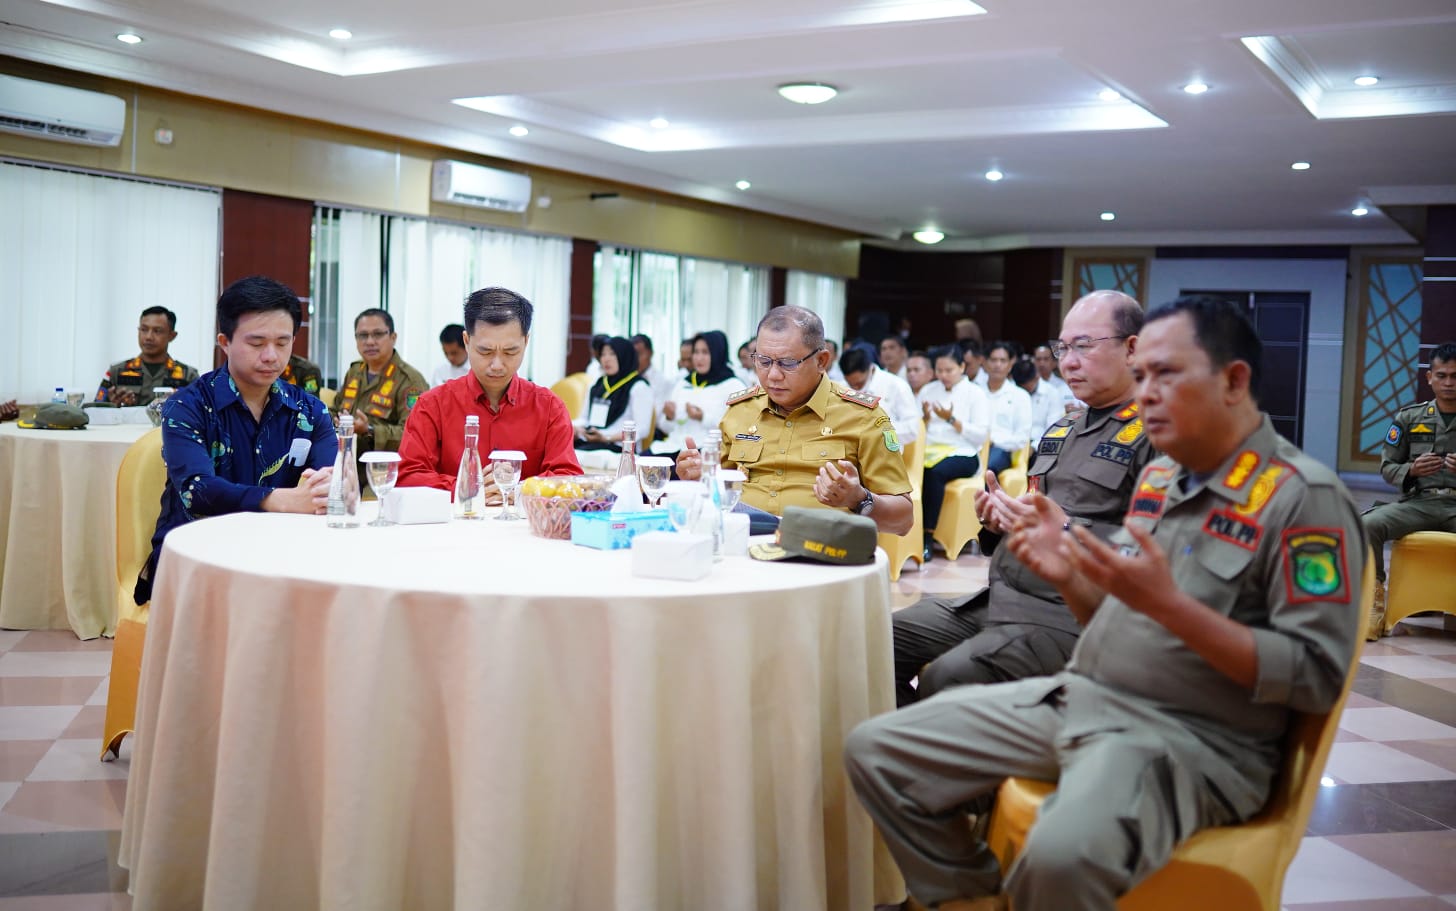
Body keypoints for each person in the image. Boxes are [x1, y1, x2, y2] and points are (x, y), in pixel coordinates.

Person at [845, 295, 1364, 911]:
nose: (1145, 394)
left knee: (1060, 858)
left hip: (1187, 736)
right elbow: (1108, 621)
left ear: (1234, 380)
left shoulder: (1303, 499)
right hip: (1088, 696)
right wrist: (1072, 576)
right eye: (1141, 377)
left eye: (1165, 374)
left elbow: (1315, 678)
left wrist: (1169, 606)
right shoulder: (1162, 482)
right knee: (877, 752)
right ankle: (966, 899)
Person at [893, 290, 1151, 705]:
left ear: (1133, 349)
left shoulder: (1157, 435)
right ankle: (906, 752)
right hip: (997, 599)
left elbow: (1153, 553)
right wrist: (998, 521)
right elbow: (1025, 522)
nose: (1068, 362)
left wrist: (1064, 531)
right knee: (877, 639)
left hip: (1066, 615)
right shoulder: (1061, 430)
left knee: (947, 677)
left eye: (1083, 346)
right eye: (1063, 347)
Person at [134, 277, 337, 604]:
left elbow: (329, 481)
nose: (271, 356)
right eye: (256, 343)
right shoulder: (188, 407)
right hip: (198, 556)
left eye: (283, 343)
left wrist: (335, 487)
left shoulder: (310, 410)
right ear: (224, 341)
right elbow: (197, 490)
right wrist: (279, 499)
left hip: (284, 553)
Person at [675, 306, 913, 536]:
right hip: (743, 544)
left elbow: (903, 520)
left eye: (788, 363)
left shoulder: (863, 417)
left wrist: (859, 499)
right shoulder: (741, 411)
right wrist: (699, 474)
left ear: (821, 361)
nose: (773, 376)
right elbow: (720, 489)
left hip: (820, 554)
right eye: (764, 361)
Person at [398, 287, 581, 497]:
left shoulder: (549, 407)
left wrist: (522, 489)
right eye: (485, 351)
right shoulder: (432, 405)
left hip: (523, 528)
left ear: (526, 342)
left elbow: (568, 478)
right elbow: (407, 476)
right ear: (467, 342)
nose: (497, 365)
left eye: (511, 351)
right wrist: (465, 488)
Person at [1361, 341, 1456, 638]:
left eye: (1455, 376)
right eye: (1442, 375)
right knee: (1368, 524)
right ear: (1429, 378)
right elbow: (1387, 467)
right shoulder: (1409, 418)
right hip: (1420, 504)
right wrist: (1411, 470)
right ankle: (1374, 605)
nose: (1449, 383)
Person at [917, 345, 991, 561]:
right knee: (908, 467)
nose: (943, 376)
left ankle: (927, 536)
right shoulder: (928, 390)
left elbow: (980, 436)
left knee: (934, 473)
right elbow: (917, 428)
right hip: (930, 449)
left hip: (964, 452)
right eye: (939, 370)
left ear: (962, 367)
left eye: (949, 370)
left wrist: (951, 419)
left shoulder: (975, 394)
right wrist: (925, 419)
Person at [331, 308, 429, 460]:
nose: (370, 342)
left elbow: (414, 433)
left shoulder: (410, 380)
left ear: (393, 337)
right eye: (363, 336)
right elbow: (336, 408)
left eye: (377, 334)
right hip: (347, 460)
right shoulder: (354, 371)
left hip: (384, 468)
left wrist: (369, 430)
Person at [653, 330, 746, 457]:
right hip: (674, 446)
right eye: (696, 352)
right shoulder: (684, 383)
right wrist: (669, 417)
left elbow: (738, 429)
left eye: (705, 352)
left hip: (709, 451)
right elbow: (667, 429)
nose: (699, 358)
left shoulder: (733, 386)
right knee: (643, 463)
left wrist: (703, 417)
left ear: (717, 353)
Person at [95, 306, 200, 406]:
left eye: (157, 331)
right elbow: (95, 409)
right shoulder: (116, 372)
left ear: (172, 336)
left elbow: (201, 414)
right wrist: (113, 406)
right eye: (144, 329)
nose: (149, 337)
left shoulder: (188, 376)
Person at [574, 336, 654, 453]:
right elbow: (585, 419)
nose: (606, 359)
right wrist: (575, 428)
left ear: (624, 356)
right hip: (592, 442)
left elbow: (642, 429)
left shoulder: (639, 386)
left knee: (579, 457)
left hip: (620, 448)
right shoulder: (597, 385)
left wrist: (606, 437)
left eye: (612, 354)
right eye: (603, 354)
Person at [840, 348, 920, 446]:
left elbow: (912, 429)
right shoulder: (841, 387)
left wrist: (877, 430)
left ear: (870, 368)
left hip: (884, 451)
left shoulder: (896, 386)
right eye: (851, 384)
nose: (855, 387)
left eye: (859, 383)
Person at [982, 341, 1034, 475]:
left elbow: (1021, 438)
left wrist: (994, 441)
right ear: (985, 363)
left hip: (1003, 450)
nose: (997, 365)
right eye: (993, 360)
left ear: (1010, 364)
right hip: (974, 447)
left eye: (1002, 360)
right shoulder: (976, 391)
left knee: (988, 469)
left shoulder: (1020, 396)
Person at [1015, 357, 1062, 443]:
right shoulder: (1012, 391)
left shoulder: (1052, 393)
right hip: (1013, 443)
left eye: (1026, 387)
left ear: (1037, 376)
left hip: (1040, 444)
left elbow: (1054, 429)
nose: (1023, 391)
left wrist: (1034, 447)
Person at [632, 333, 674, 419]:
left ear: (650, 353)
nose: (635, 359)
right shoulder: (627, 378)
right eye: (633, 355)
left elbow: (659, 414)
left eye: (639, 354)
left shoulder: (661, 381)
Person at [431, 323, 470, 387]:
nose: (450, 358)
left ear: (467, 347)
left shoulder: (477, 370)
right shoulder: (440, 370)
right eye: (446, 353)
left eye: (454, 353)